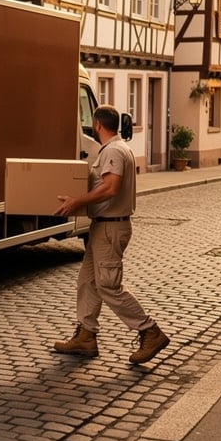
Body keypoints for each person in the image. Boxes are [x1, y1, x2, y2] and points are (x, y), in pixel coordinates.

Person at [52, 104, 170, 365]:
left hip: (110, 228)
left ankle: (149, 330)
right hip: (102, 227)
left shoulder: (114, 151)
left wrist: (77, 201)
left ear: (96, 125)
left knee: (108, 286)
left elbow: (111, 187)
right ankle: (86, 335)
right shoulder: (116, 148)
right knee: (87, 282)